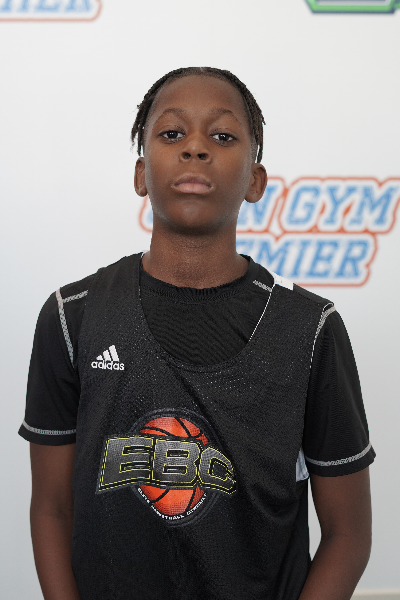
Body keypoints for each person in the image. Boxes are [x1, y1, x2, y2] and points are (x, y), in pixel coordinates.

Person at [19, 67, 375, 600]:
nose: (195, 148)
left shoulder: (310, 328)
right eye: (172, 133)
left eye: (223, 136)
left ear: (255, 181)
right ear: (142, 173)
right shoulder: (73, 317)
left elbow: (349, 534)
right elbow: (51, 507)